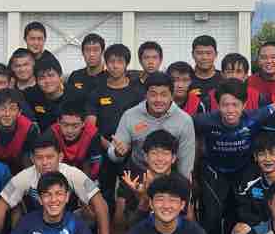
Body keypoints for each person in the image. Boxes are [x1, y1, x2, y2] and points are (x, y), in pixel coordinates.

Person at [192, 78, 275, 234]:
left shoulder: (254, 118)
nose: (230, 110)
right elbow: (182, 123)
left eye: (235, 105)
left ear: (244, 104)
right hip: (214, 171)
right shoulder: (205, 120)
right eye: (225, 105)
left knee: (240, 213)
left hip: (243, 171)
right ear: (218, 105)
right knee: (212, 216)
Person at [0, 134, 110, 234]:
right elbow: (0, 208)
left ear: (60, 157)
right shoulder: (23, 177)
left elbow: (99, 202)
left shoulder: (74, 174)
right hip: (36, 227)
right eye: (39, 158)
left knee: (89, 214)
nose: (45, 163)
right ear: (32, 159)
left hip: (70, 225)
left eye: (50, 157)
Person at [86, 43, 144, 207]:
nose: (115, 66)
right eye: (111, 61)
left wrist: (128, 145)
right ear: (106, 63)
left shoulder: (137, 92)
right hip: (103, 150)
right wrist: (109, 146)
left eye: (120, 61)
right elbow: (90, 126)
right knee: (104, 196)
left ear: (126, 64)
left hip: (131, 152)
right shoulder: (97, 92)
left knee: (131, 196)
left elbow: (143, 123)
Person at [109, 72, 196, 180]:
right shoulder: (130, 115)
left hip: (169, 176)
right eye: (153, 94)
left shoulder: (184, 120)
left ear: (172, 96)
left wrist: (182, 185)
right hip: (138, 173)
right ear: (146, 95)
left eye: (164, 95)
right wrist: (118, 153)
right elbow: (113, 155)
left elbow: (185, 165)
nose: (158, 100)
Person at [112, 130, 187, 234]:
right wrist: (143, 197)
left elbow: (186, 222)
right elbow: (129, 225)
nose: (160, 159)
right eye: (154, 153)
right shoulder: (133, 180)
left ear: (174, 158)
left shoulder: (181, 183)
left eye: (165, 153)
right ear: (146, 157)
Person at [48, 99, 106, 179]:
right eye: (65, 125)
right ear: (58, 122)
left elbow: (95, 165)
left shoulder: (92, 134)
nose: (69, 131)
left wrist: (86, 182)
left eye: (75, 126)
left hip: (84, 174)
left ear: (83, 123)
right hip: (58, 174)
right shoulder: (52, 133)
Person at [0, 89, 37, 171]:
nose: (7, 114)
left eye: (12, 109)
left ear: (19, 112)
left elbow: (29, 164)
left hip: (20, 171)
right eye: (3, 109)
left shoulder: (30, 130)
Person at [25, 56, 69, 132]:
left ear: (60, 76)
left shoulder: (75, 95)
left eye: (51, 75)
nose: (47, 81)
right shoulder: (31, 94)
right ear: (36, 81)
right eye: (42, 77)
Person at [66, 33, 108, 101]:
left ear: (102, 52)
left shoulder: (109, 77)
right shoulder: (75, 76)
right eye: (87, 50)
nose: (91, 54)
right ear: (83, 53)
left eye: (95, 50)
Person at [247, 40, 275, 105]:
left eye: (273, 57)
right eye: (264, 58)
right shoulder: (249, 83)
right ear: (258, 61)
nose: (269, 61)